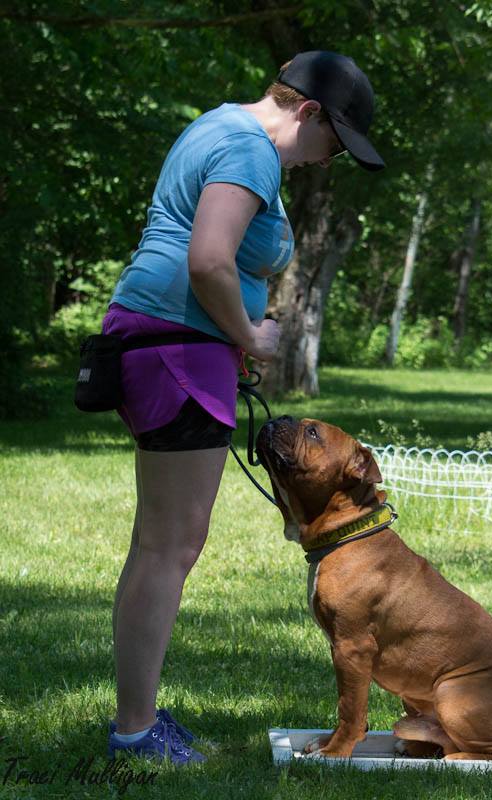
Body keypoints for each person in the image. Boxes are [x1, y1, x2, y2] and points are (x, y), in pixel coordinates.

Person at [103, 51, 384, 764]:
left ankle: (138, 720)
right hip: (178, 346)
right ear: (309, 112)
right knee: (169, 546)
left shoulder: (220, 130)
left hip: (166, 343)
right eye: (335, 143)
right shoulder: (248, 149)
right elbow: (208, 260)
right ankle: (134, 731)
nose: (329, 160)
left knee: (162, 544)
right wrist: (247, 334)